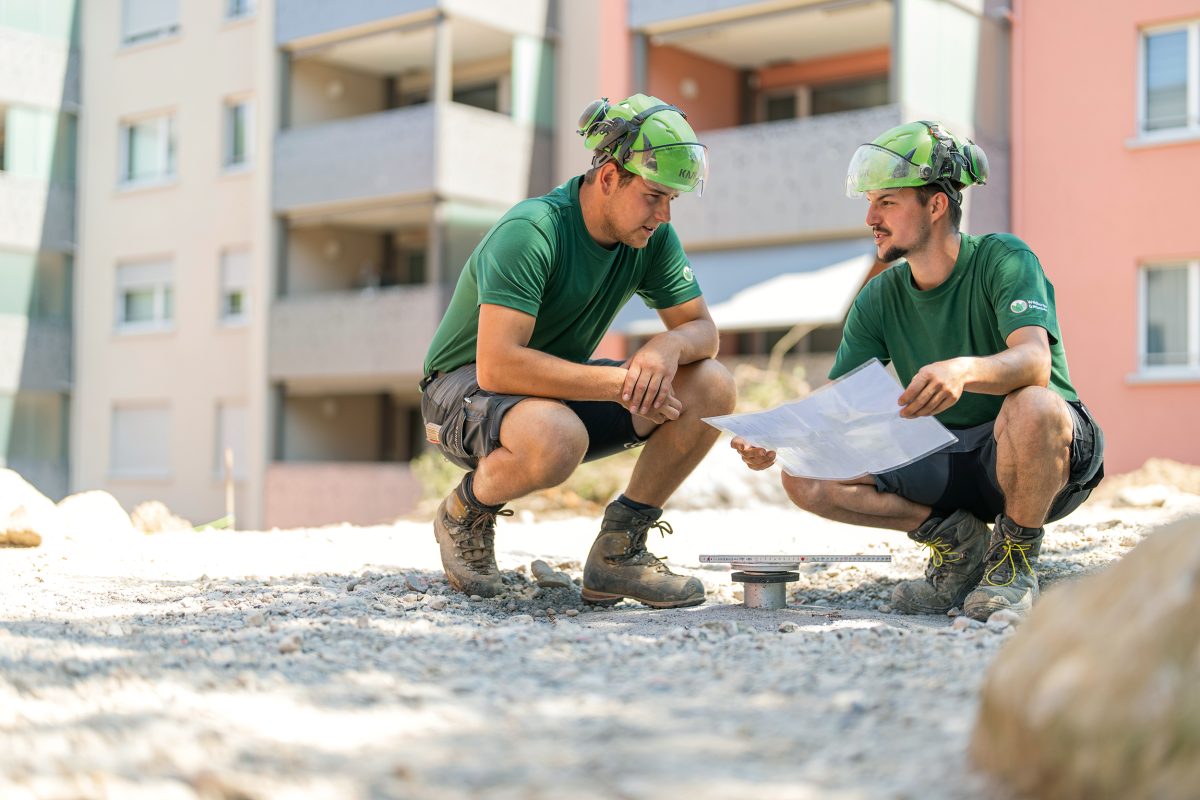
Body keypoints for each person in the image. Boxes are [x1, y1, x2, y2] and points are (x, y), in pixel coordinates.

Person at [733, 121, 1104, 621]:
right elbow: (841, 401)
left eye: (887, 202)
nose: (871, 217)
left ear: (936, 205)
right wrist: (778, 434)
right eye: (871, 202)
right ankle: (960, 545)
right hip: (947, 455)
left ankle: (1013, 562)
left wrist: (963, 371)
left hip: (1039, 454)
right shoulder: (879, 296)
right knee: (805, 472)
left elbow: (1035, 361)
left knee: (1033, 402)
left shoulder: (1004, 258)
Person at [420, 94, 736, 608]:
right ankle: (464, 513)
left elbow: (702, 330)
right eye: (654, 195)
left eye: (672, 199)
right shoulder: (532, 231)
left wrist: (668, 345)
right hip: (460, 390)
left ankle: (618, 553)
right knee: (557, 438)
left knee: (712, 385)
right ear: (609, 177)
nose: (664, 214)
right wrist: (622, 384)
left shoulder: (652, 239)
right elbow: (497, 365)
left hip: (550, 389)